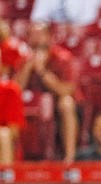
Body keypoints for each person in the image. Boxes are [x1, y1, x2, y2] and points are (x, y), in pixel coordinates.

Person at [14, 22, 82, 163]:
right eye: (32, 35)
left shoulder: (63, 57)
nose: (36, 39)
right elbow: (15, 91)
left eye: (40, 34)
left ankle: (69, 158)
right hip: (32, 105)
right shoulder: (23, 59)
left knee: (66, 103)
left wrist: (42, 71)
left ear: (49, 37)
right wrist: (27, 68)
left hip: (58, 105)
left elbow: (66, 90)